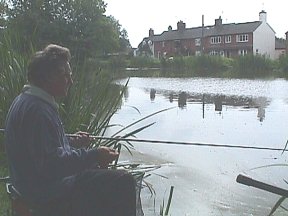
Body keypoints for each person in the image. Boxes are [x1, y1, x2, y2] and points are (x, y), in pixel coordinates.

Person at [4, 44, 138, 216]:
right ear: (48, 78)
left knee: (104, 177)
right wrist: (94, 154)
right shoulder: (38, 111)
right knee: (123, 181)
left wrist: (70, 142)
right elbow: (51, 165)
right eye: (66, 76)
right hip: (45, 193)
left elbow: (38, 149)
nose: (71, 81)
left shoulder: (26, 100)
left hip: (32, 185)